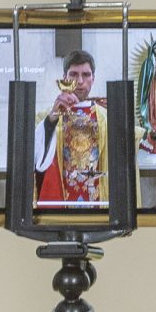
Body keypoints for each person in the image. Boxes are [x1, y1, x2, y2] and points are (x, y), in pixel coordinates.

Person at [36, 48, 108, 205]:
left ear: (93, 78)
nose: (80, 81)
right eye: (74, 74)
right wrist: (52, 119)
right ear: (64, 78)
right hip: (62, 202)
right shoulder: (48, 116)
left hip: (98, 203)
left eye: (86, 75)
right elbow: (35, 156)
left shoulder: (106, 117)